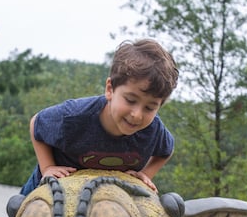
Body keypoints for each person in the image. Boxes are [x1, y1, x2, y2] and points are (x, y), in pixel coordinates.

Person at [20, 39, 179, 195]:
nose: (137, 115)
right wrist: (48, 167)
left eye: (150, 107)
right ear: (110, 89)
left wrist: (145, 175)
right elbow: (37, 123)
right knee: (24, 213)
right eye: (130, 100)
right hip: (52, 187)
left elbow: (166, 150)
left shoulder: (154, 131)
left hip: (106, 198)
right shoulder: (74, 116)